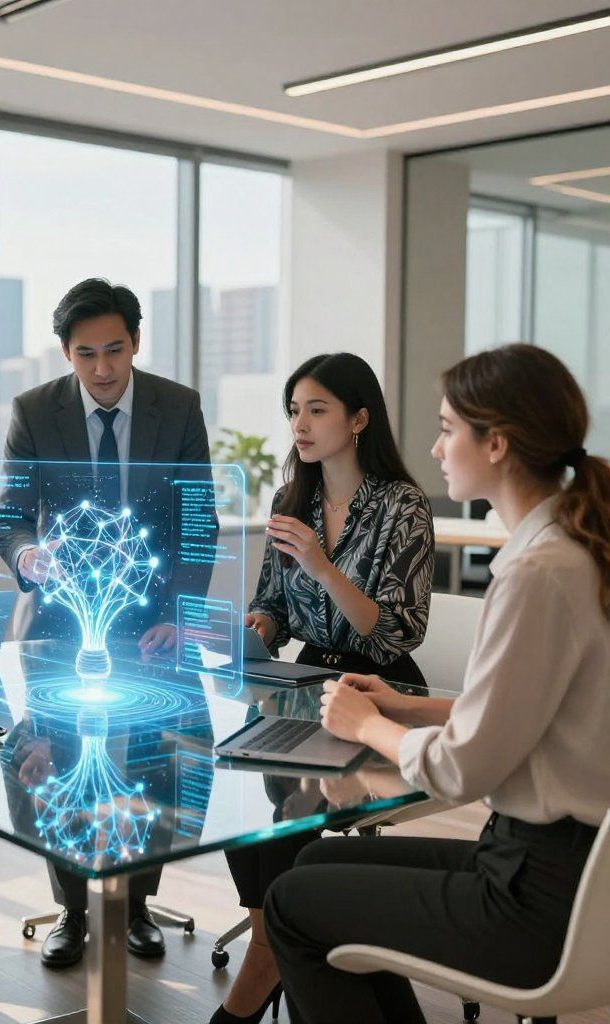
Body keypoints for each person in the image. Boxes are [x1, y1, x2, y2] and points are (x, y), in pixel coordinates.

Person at [264, 343, 610, 1024]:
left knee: (292, 905)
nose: (436, 444)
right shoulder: (572, 552)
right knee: (305, 865)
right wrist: (406, 704)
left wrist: (370, 726)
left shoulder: (538, 571)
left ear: (498, 444)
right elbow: (527, 711)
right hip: (554, 868)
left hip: (532, 895)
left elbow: (460, 770)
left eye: (450, 428)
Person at [0, 277, 215, 967]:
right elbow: (8, 515)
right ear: (66, 354)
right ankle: (72, 910)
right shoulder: (34, 410)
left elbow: (197, 521)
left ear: (136, 342)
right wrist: (27, 553)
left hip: (152, 625)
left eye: (115, 350)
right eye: (86, 354)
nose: (103, 368)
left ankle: (137, 904)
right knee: (52, 758)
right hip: (59, 621)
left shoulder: (178, 408)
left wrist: (180, 614)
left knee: (161, 760)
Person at [215, 352, 435, 1024]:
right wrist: (261, 622)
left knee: (286, 806)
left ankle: (262, 969)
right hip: (304, 675)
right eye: (293, 410)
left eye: (316, 409)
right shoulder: (295, 500)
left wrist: (321, 561)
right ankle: (268, 934)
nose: (299, 425)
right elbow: (275, 608)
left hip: (378, 686)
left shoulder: (403, 506)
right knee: (234, 776)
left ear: (358, 418)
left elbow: (396, 630)